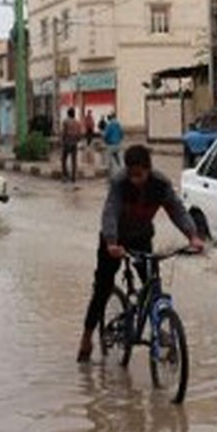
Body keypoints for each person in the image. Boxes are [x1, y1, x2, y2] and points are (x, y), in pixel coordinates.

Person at [77, 145, 205, 363]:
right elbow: (110, 212)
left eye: (139, 174)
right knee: (102, 288)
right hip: (114, 241)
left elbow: (177, 210)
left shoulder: (161, 185)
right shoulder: (119, 184)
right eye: (131, 174)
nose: (135, 179)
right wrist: (111, 242)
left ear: (148, 169)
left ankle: (159, 327)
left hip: (141, 239)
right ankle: (86, 338)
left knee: (153, 288)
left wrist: (192, 235)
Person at [61, 107, 83, 183]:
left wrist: (62, 140)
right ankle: (73, 177)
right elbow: (80, 134)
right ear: (74, 114)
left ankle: (65, 176)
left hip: (67, 143)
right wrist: (77, 140)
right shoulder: (77, 123)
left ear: (68, 114)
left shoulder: (65, 122)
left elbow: (64, 132)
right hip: (74, 143)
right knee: (74, 161)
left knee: (64, 160)